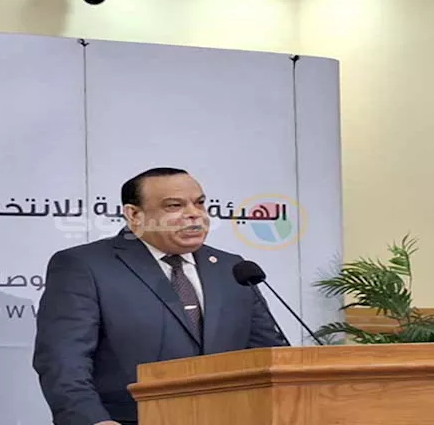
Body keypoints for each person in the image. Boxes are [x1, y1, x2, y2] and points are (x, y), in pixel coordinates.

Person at [33, 167, 286, 425]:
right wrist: (94, 421)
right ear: (134, 215)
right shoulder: (85, 265)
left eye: (199, 203)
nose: (194, 214)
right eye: (174, 206)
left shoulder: (231, 268)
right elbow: (63, 361)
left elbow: (271, 354)